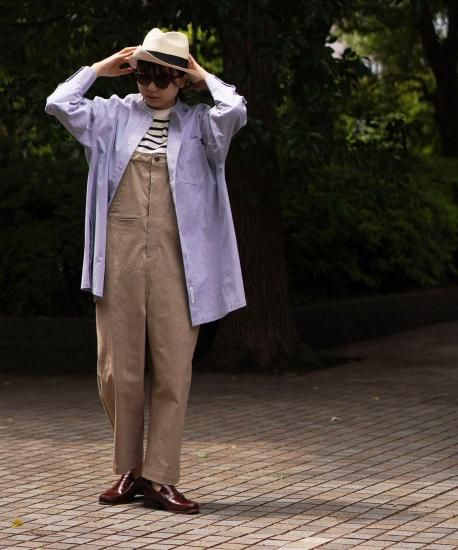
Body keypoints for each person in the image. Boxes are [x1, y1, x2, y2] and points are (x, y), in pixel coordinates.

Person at [45, 28, 248, 514]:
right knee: (117, 369)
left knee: (174, 368)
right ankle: (129, 470)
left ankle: (161, 477)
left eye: (163, 78)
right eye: (144, 76)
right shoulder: (112, 115)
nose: (151, 87)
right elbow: (58, 103)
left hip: (180, 258)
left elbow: (235, 109)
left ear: (180, 81)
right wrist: (98, 70)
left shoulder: (201, 126)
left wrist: (203, 76)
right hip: (120, 251)